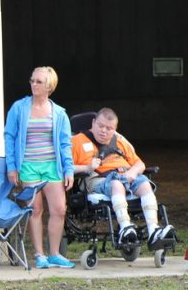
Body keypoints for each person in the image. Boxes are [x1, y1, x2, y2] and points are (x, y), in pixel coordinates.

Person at [71, 107, 176, 249]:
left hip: (126, 174)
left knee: (145, 184)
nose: (104, 131)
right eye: (100, 126)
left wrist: (132, 173)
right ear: (93, 123)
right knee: (116, 184)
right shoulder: (77, 141)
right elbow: (66, 168)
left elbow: (140, 164)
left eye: (109, 128)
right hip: (99, 178)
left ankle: (153, 231)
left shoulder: (120, 141)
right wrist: (87, 167)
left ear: (114, 129)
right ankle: (125, 227)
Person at [4, 66, 75, 269]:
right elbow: (9, 136)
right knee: (35, 208)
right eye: (32, 80)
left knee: (59, 209)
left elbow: (65, 143)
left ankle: (54, 253)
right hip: (28, 165)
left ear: (49, 87)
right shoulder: (19, 108)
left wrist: (68, 169)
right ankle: (39, 254)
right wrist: (12, 166)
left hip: (52, 166)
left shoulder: (59, 113)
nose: (34, 84)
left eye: (39, 82)